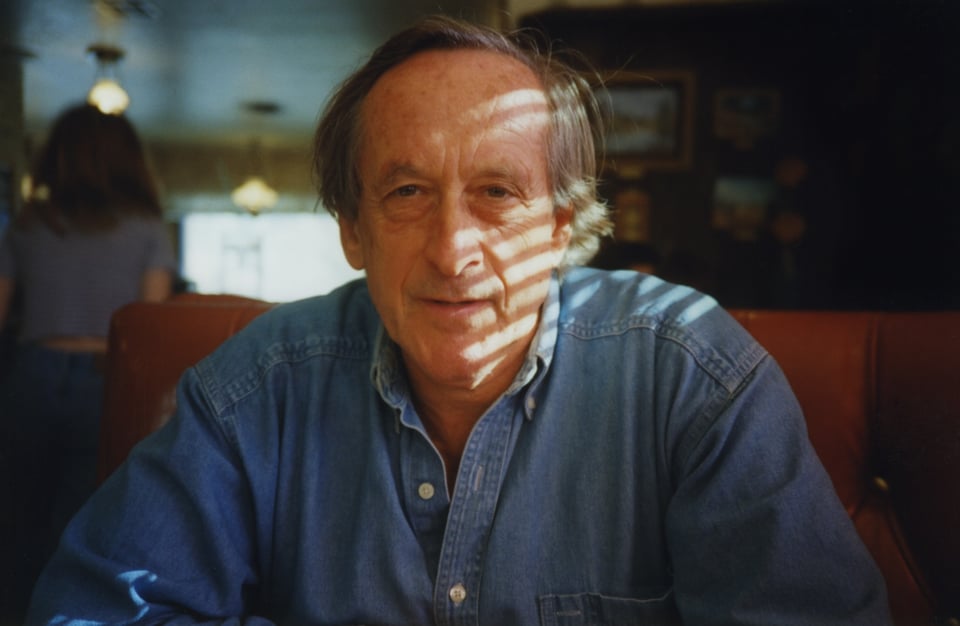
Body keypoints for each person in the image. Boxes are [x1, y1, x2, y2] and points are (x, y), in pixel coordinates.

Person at [26, 17, 891, 625]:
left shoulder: (694, 377)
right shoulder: (255, 390)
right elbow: (85, 613)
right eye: (406, 193)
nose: (453, 249)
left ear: (561, 228)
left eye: (498, 193)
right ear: (353, 231)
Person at [0, 104, 177, 621]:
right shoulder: (146, 228)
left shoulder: (30, 224)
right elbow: (149, 326)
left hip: (31, 375)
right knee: (85, 526)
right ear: (129, 160)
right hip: (105, 383)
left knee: (15, 524)